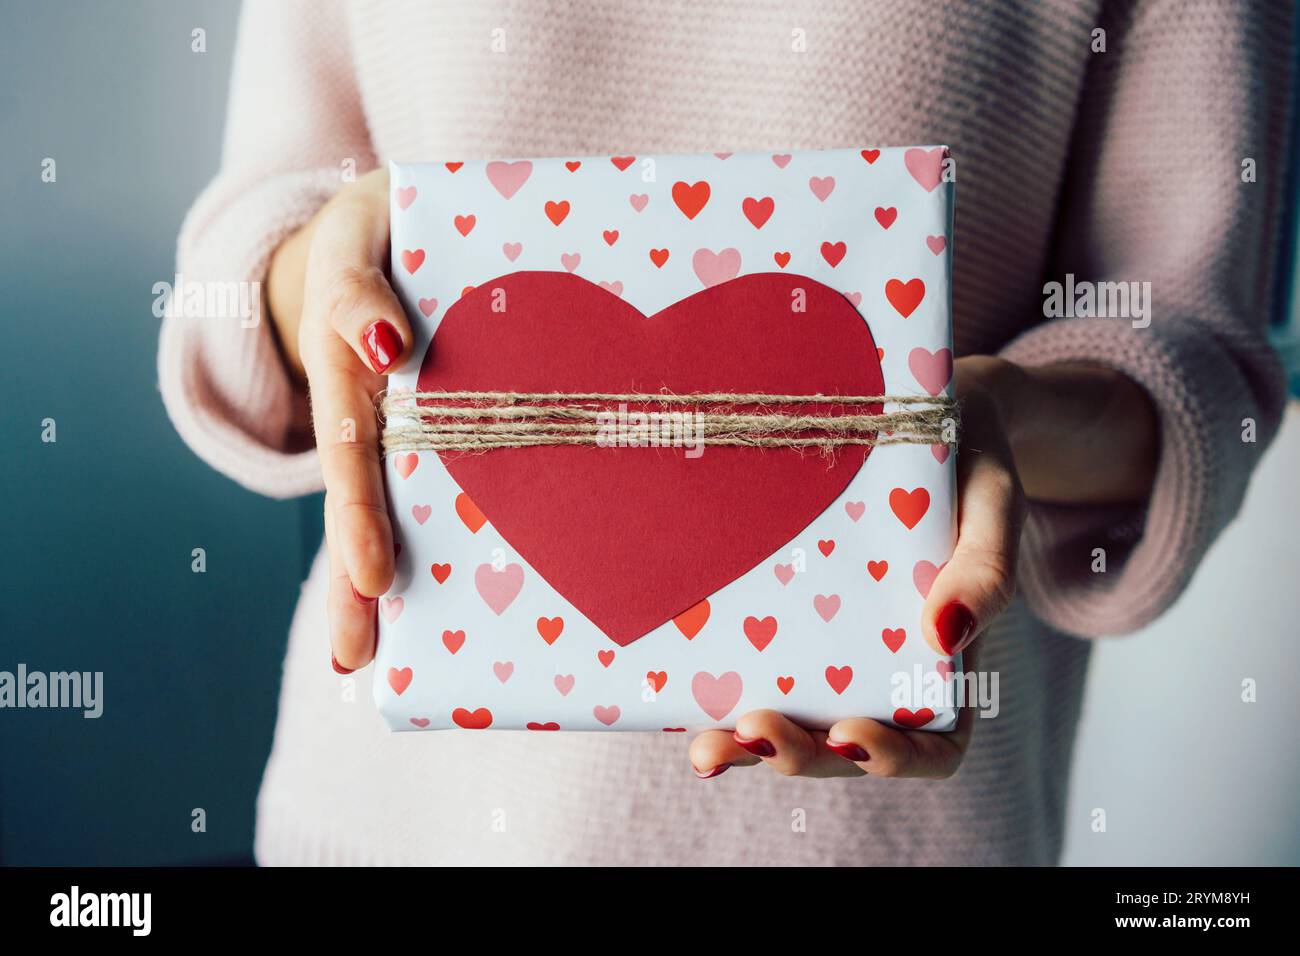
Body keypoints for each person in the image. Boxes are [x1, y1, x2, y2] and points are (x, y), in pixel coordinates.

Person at [158, 0, 1294, 864]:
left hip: (892, 837)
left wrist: (996, 420)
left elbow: (1197, 363)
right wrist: (327, 270)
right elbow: (235, 268)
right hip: (393, 824)